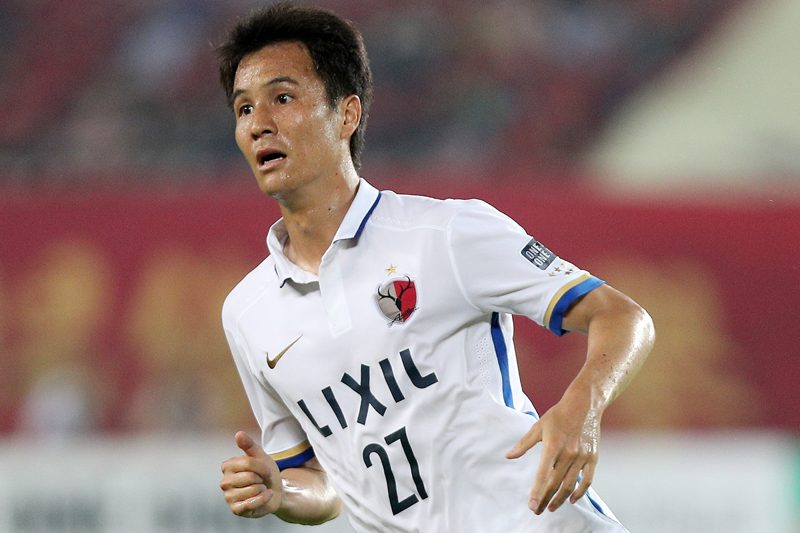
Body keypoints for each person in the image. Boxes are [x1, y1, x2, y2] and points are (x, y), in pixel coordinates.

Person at [217, 3, 655, 532]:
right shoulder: (248, 314)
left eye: (282, 98)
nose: (259, 125)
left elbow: (623, 317)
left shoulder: (446, 234)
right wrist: (279, 491)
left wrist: (583, 405)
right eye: (244, 109)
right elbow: (323, 481)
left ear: (347, 114)